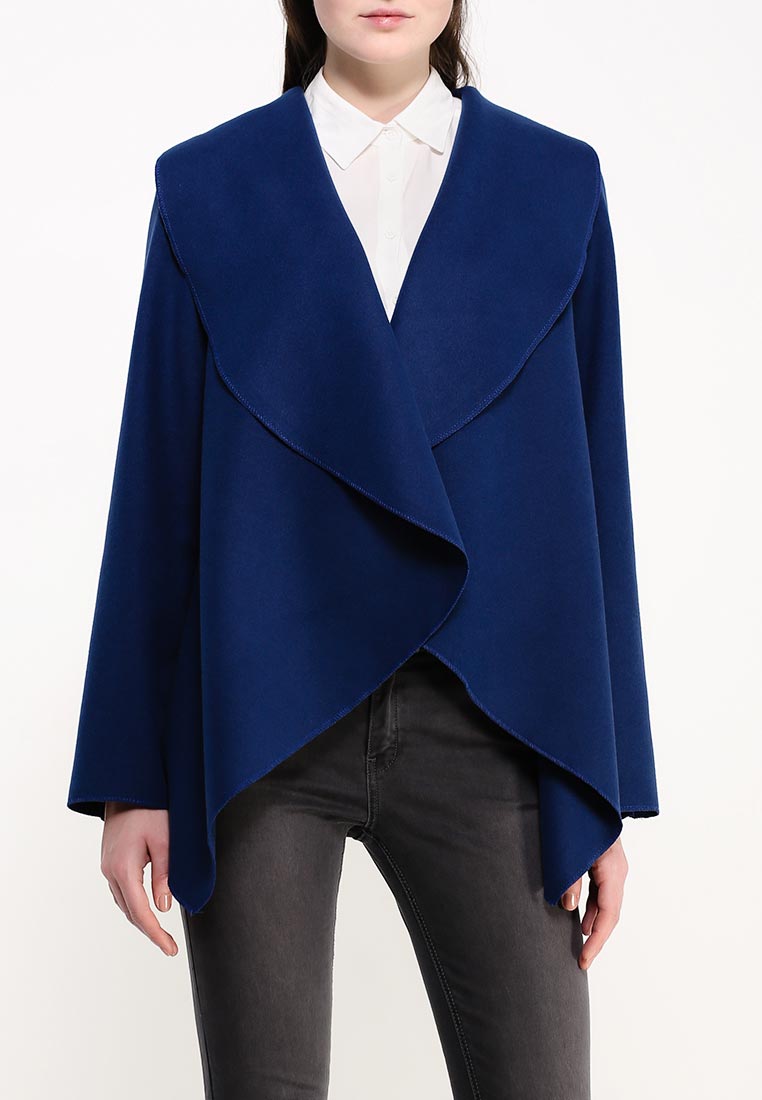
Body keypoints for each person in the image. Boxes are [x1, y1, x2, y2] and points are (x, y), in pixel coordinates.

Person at [67, 2, 660, 1097]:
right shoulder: (212, 186)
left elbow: (592, 487)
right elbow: (158, 477)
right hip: (262, 722)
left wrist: (601, 779)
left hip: (492, 718)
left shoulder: (554, 183)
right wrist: (128, 777)